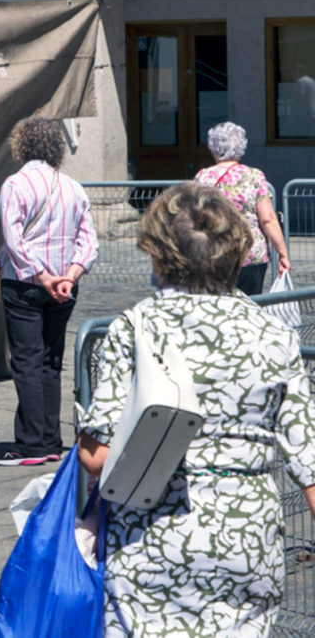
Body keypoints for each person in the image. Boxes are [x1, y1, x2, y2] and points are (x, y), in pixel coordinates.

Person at [77, 182, 315, 635]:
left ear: (158, 256)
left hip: (154, 536)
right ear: (239, 254)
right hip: (247, 537)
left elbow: (96, 455)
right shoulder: (273, 335)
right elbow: (310, 460)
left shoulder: (136, 327)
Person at [0, 118, 97, 467]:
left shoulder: (15, 184)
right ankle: (51, 438)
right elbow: (89, 242)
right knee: (52, 361)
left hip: (25, 283)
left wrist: (41, 275)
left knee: (26, 360)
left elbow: (13, 237)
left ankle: (33, 442)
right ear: (56, 148)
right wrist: (68, 276)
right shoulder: (73, 186)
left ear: (20, 146)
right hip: (65, 285)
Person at [193, 121, 289, 295]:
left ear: (213, 148)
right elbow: (267, 219)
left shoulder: (202, 176)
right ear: (241, 147)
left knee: (218, 308)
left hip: (214, 254)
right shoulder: (254, 176)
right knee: (250, 306)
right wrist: (282, 253)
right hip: (251, 254)